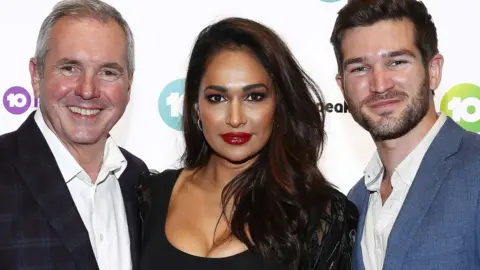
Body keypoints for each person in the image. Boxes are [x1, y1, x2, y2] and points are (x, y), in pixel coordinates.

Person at [137, 17, 358, 270]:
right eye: (217, 98)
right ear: (196, 106)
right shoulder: (148, 197)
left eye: (254, 97)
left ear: (278, 105)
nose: (235, 118)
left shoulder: (320, 215)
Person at [330, 0, 480, 269]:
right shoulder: (354, 203)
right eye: (360, 68)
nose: (379, 84)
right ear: (342, 86)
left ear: (433, 72)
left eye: (397, 62)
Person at [0, 0, 148, 269]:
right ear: (36, 76)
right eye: (70, 68)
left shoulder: (142, 182)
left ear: (129, 85)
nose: (88, 90)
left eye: (108, 72)